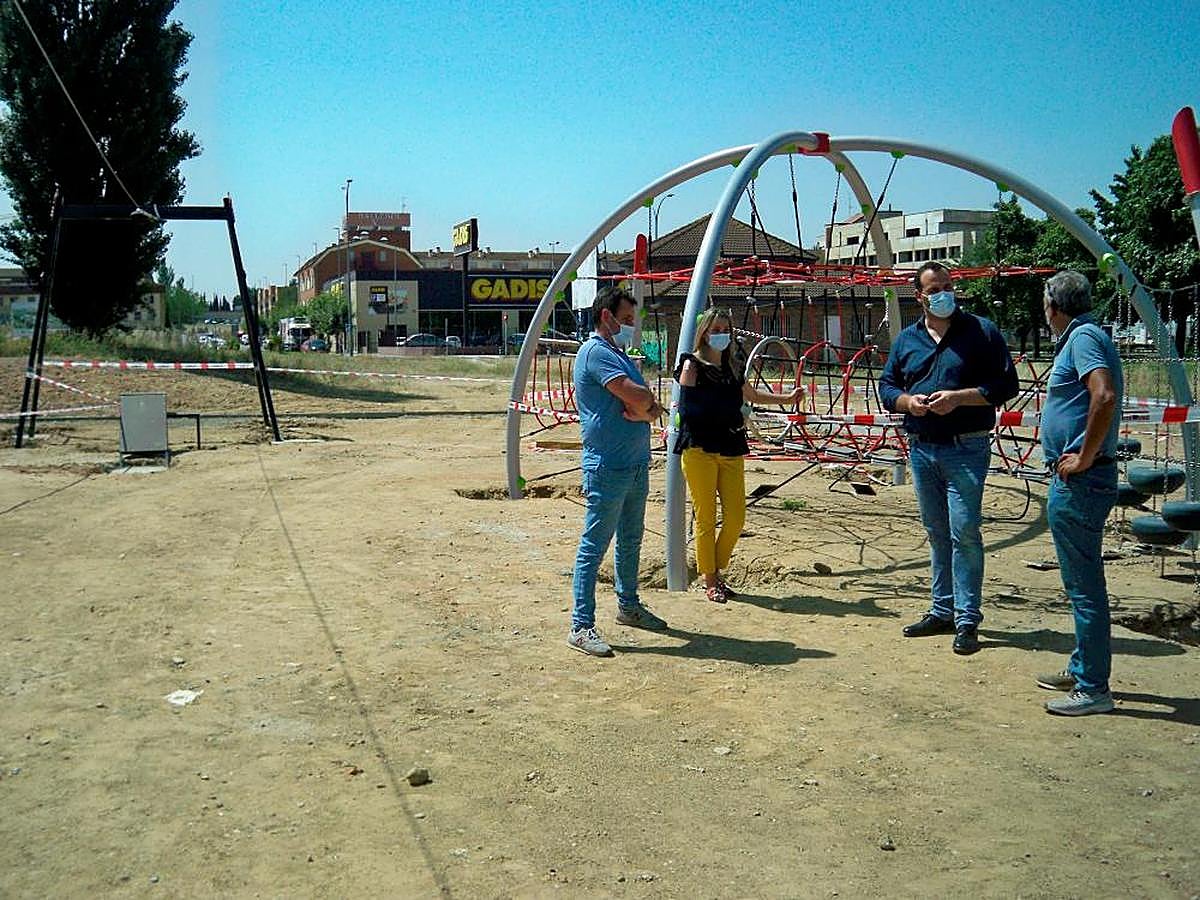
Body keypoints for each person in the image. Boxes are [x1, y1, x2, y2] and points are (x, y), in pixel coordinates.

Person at [879, 262, 1018, 655]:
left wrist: (960, 397)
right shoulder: (908, 340)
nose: (943, 294)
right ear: (919, 297)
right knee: (937, 533)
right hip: (922, 447)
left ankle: (968, 618)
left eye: (947, 286)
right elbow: (887, 385)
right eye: (934, 288)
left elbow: (1005, 384)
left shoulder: (981, 332)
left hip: (966, 446)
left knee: (966, 532)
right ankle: (942, 609)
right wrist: (909, 402)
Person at [1036, 270, 1122, 715]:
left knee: (1085, 586)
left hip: (1081, 480)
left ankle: (1093, 688)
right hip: (1081, 477)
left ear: (1054, 306)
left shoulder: (1084, 338)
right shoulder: (1085, 335)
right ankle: (1082, 665)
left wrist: (1084, 456)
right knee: (1080, 584)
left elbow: (1103, 396)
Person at [674, 308, 803, 603]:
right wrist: (724, 416)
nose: (721, 334)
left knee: (736, 516)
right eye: (715, 328)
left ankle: (716, 568)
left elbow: (752, 395)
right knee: (705, 516)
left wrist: (786, 399)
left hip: (730, 447)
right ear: (704, 332)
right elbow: (687, 409)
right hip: (700, 449)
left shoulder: (733, 365)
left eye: (725, 329)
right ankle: (710, 578)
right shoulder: (691, 365)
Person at [567, 285, 669, 657]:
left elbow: (643, 402)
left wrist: (646, 409)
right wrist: (647, 407)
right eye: (625, 319)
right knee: (594, 547)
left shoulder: (618, 353)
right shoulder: (596, 352)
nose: (630, 326)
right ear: (606, 316)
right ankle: (581, 625)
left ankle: (628, 606)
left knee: (630, 540)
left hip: (635, 463)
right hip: (608, 465)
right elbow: (640, 397)